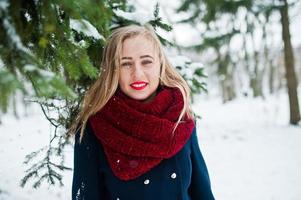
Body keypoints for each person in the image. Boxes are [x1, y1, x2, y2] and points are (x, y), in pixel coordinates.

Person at [69, 24, 215, 200]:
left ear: (160, 64)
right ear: (113, 70)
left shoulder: (180, 116)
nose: (137, 73)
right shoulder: (93, 127)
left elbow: (202, 192)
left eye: (146, 61)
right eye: (125, 64)